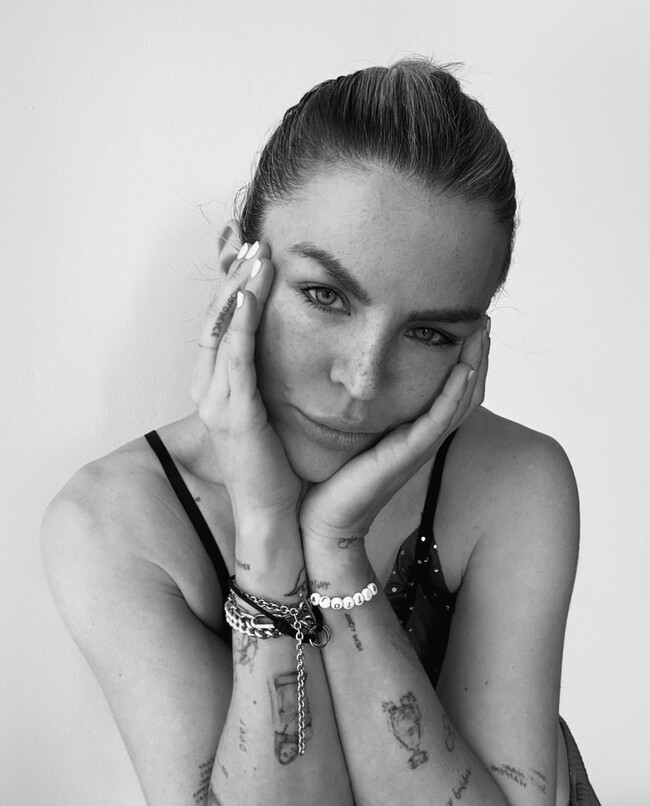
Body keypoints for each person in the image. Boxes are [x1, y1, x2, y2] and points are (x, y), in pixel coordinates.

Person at [41, 59, 600, 805]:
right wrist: (269, 536)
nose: (361, 381)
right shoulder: (114, 522)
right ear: (239, 271)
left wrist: (337, 551)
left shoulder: (515, 482)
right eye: (325, 295)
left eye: (429, 333)